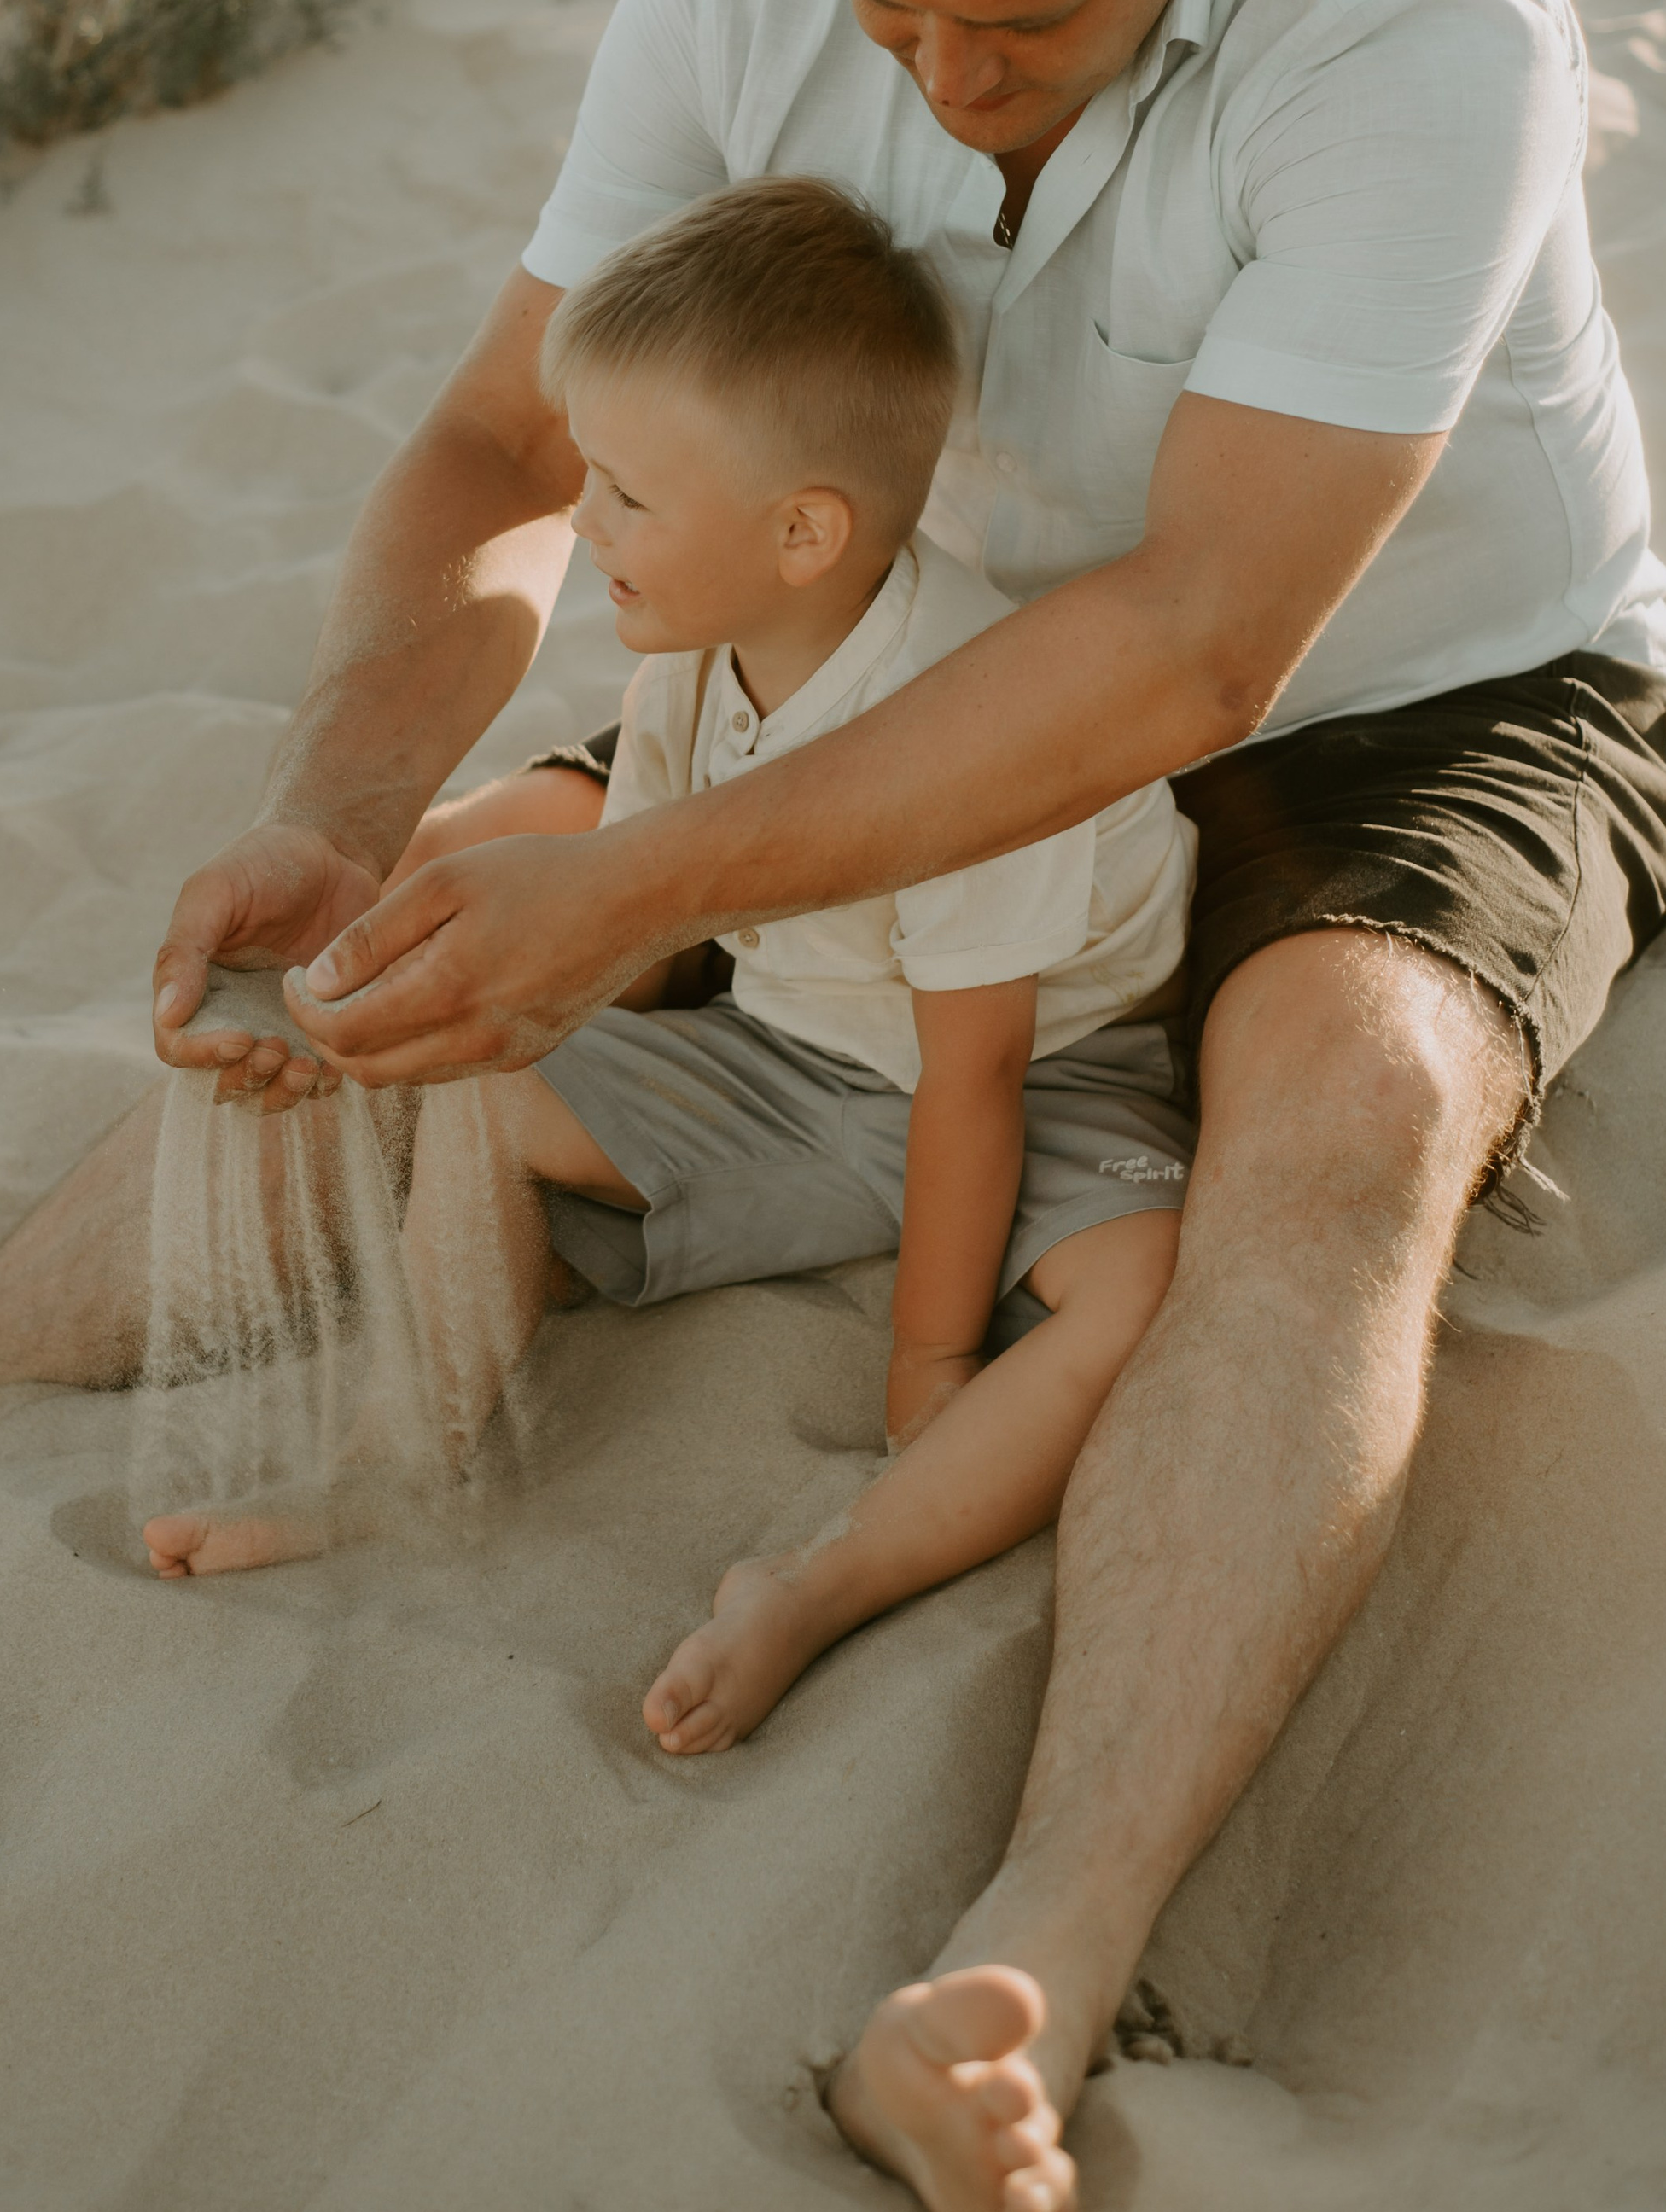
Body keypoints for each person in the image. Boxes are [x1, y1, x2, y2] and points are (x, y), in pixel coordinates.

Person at [0, 0, 1666, 2212]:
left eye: (1024, 17)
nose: (943, 82)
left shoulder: (1417, 9)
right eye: (889, 6)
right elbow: (497, 455)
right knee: (427, 900)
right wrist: (342, 803)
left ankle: (1025, 1960)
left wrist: (657, 859)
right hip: (887, 627)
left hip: (1418, 702)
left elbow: (1200, 649)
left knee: (1351, 1112)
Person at [149, 178, 1200, 1769]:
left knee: (1141, 1298)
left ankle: (827, 1575)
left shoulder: (974, 719)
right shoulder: (691, 658)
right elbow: (632, 935)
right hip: (802, 1053)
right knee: (486, 1101)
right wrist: (395, 1041)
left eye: (630, 498)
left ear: (804, 533)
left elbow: (974, 1077)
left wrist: (926, 1364)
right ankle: (401, 1452)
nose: (584, 526)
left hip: (1042, 1069)